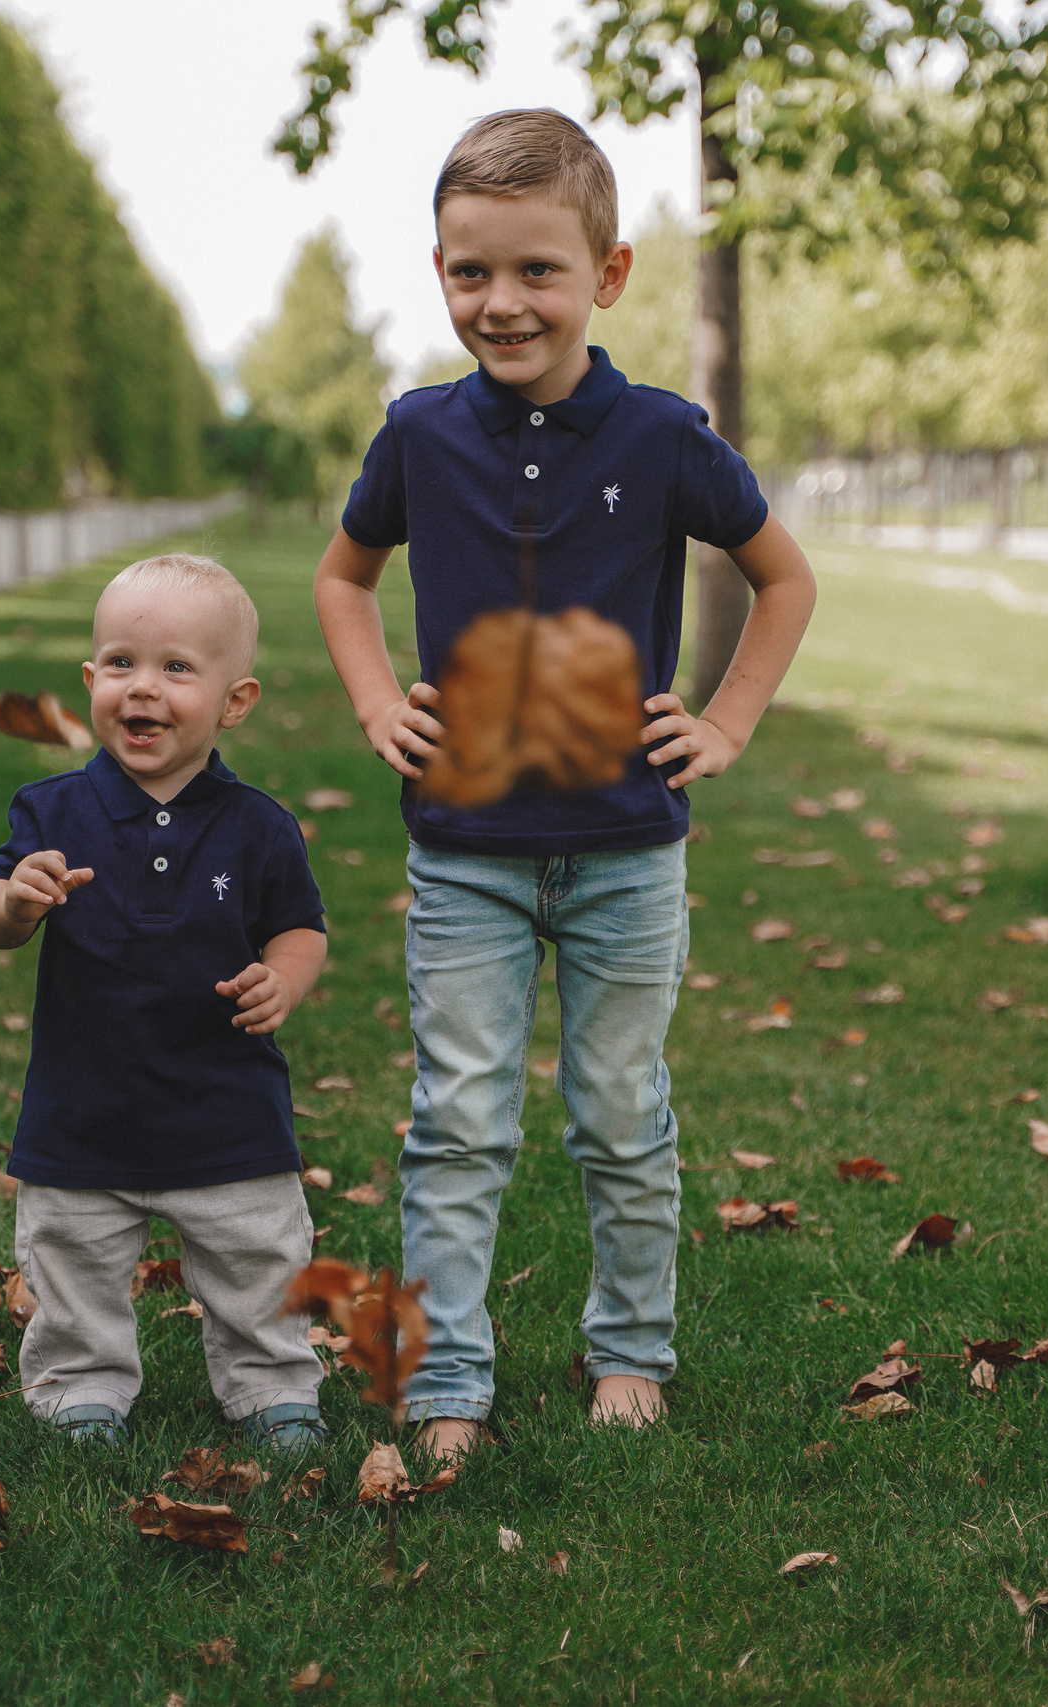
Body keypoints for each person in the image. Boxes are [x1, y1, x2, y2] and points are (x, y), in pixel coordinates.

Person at [314, 109, 818, 1463]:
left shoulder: (662, 437)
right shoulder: (418, 435)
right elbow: (342, 578)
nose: (504, 300)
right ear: (438, 272)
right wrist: (375, 700)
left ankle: (631, 1353)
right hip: (463, 849)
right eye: (473, 271)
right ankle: (446, 1379)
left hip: (626, 851)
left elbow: (783, 575)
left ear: (609, 273)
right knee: (459, 1123)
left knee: (620, 1116)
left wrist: (726, 718)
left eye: (539, 269)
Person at [0, 554, 330, 1450]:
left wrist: (283, 978)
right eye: (122, 664)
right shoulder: (50, 812)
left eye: (176, 668)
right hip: (85, 1102)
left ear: (233, 701)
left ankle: (270, 1381)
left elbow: (301, 928)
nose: (144, 689)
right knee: (74, 1258)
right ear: (91, 681)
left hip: (227, 1103)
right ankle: (81, 1382)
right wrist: (16, 896)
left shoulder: (259, 826)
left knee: (257, 1256)